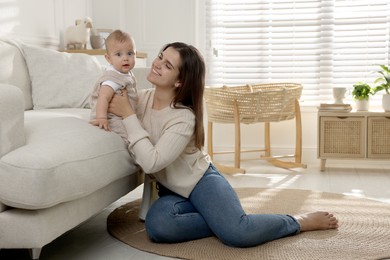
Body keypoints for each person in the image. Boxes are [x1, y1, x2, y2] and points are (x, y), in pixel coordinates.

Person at [108, 42, 339, 247]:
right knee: (158, 225)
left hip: (201, 181)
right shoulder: (141, 99)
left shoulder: (183, 117)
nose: (157, 64)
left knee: (239, 234)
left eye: (168, 65)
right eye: (160, 57)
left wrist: (128, 115)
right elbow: (107, 99)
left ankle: (297, 221)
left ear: (180, 81)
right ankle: (222, 220)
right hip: (171, 192)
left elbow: (151, 162)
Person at [90, 29, 138, 145]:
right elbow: (103, 97)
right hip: (111, 117)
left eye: (130, 53)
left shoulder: (125, 73)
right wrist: (101, 118)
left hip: (123, 113)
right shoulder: (112, 78)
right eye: (118, 54)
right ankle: (134, 158)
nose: (125, 58)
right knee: (129, 137)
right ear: (108, 58)